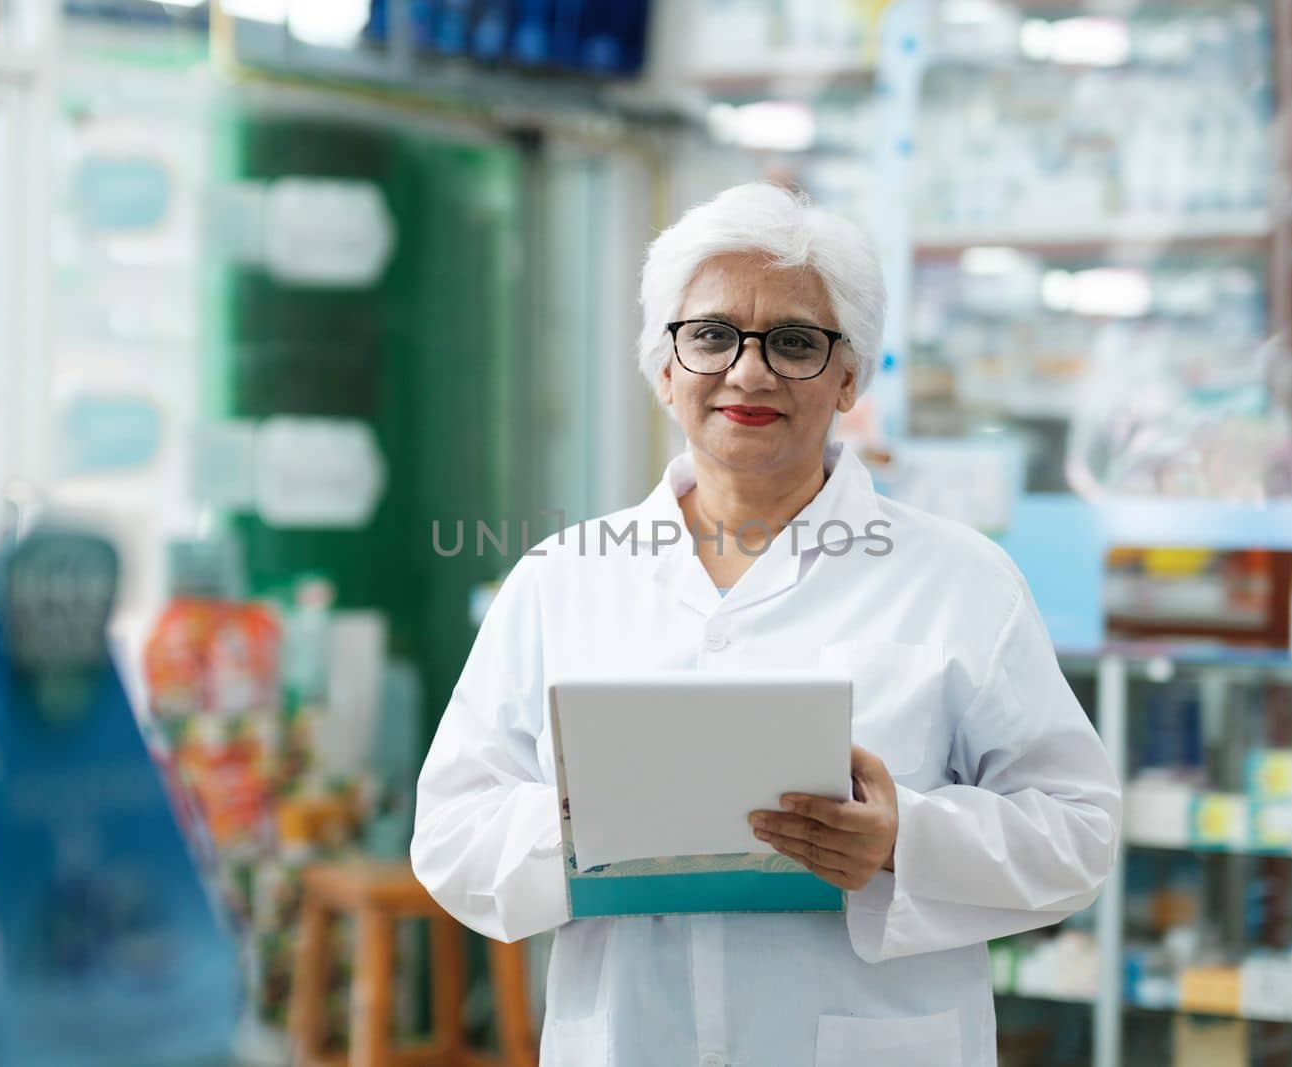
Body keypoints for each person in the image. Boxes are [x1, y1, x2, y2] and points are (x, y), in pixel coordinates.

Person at [412, 182, 1121, 1067]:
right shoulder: (562, 580)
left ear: (849, 374)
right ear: (663, 366)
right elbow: (449, 833)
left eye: (793, 342)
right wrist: (579, 827)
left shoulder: (959, 580)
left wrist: (908, 838)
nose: (748, 372)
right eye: (710, 335)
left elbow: (1080, 831)